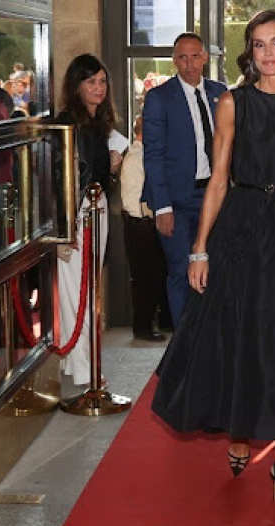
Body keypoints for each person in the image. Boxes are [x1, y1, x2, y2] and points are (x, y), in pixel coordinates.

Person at [152, 10, 275, 515]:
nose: (268, 53)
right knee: (242, 335)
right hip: (241, 226)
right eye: (259, 44)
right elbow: (217, 180)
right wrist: (199, 248)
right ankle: (240, 430)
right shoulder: (232, 103)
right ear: (250, 52)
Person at [54, 54, 129, 385]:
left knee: (87, 290)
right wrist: (64, 227)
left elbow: (95, 176)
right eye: (90, 81)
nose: (98, 88)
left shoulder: (98, 123)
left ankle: (78, 364)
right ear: (76, 86)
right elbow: (60, 180)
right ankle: (84, 368)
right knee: (77, 291)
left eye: (102, 81)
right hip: (77, 216)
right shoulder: (67, 123)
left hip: (95, 214)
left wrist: (111, 168)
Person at [142, 33, 227, 323]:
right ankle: (184, 347)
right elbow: (152, 155)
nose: (189, 64)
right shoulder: (159, 98)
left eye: (195, 56)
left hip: (214, 197)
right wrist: (162, 207)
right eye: (182, 57)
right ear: (174, 60)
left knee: (214, 271)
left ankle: (209, 344)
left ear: (205, 57)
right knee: (180, 270)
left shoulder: (221, 93)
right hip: (176, 202)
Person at [120, 114, 172, 342]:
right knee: (144, 279)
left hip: (144, 224)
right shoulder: (135, 158)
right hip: (140, 225)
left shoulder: (142, 156)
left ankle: (158, 321)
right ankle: (142, 327)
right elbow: (133, 200)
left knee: (155, 275)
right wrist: (148, 218)